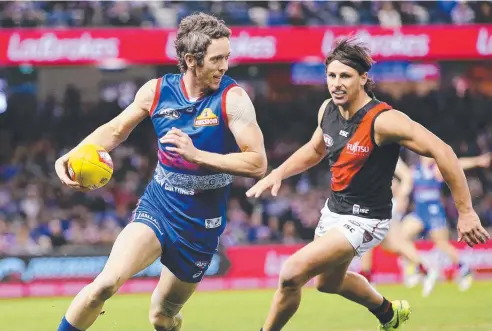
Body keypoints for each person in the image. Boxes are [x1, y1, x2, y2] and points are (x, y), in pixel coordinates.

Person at [246, 38, 490, 331]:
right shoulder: (328, 109)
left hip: (366, 219)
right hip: (334, 211)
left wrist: (465, 211)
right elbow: (315, 150)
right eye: (331, 75)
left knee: (290, 273)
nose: (336, 83)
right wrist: (278, 173)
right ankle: (388, 312)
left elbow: (444, 152)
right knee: (328, 284)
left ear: (363, 78)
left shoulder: (384, 120)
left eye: (345, 76)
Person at [55, 12, 267, 331]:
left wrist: (198, 155)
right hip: (159, 208)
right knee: (104, 285)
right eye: (217, 58)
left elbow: (257, 163)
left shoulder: (233, 99)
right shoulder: (156, 92)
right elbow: (115, 131)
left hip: (201, 225)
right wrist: (70, 155)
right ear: (191, 60)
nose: (225, 66)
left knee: (162, 317)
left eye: (227, 57)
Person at [399, 153, 491, 296]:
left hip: (435, 213)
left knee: (442, 244)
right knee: (402, 236)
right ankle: (417, 267)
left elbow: (457, 164)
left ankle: (464, 269)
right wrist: (402, 196)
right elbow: (405, 185)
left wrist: (477, 161)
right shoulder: (414, 171)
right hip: (419, 214)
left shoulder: (436, 170)